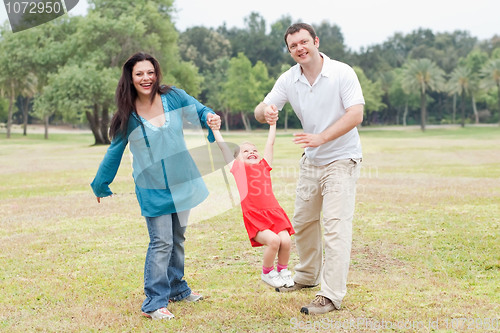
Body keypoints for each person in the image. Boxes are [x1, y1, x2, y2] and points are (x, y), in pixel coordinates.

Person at [90, 52, 221, 320]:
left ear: (156, 73)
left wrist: (210, 117)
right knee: (161, 242)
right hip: (152, 187)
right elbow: (114, 151)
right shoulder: (127, 115)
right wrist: (101, 183)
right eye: (139, 74)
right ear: (130, 78)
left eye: (150, 72)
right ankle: (154, 302)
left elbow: (199, 109)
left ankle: (177, 289)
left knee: (178, 238)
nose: (146, 78)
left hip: (182, 180)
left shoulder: (173, 97)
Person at [254, 23, 364, 315]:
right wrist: (265, 111)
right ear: (290, 51)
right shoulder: (289, 79)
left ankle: (330, 295)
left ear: (316, 41)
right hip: (311, 162)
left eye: (304, 42)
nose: (300, 48)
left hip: (342, 158)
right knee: (302, 223)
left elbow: (356, 113)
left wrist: (321, 137)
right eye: (293, 46)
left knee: (335, 227)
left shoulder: (342, 72)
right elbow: (261, 108)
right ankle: (306, 275)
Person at [209, 120, 295, 289]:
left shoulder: (264, 166)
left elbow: (270, 143)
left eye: (254, 150)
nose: (252, 152)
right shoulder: (238, 168)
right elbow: (224, 148)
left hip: (274, 213)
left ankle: (283, 271)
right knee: (274, 241)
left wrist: (272, 124)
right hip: (255, 217)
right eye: (245, 151)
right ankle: (267, 272)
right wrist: (215, 130)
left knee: (286, 240)